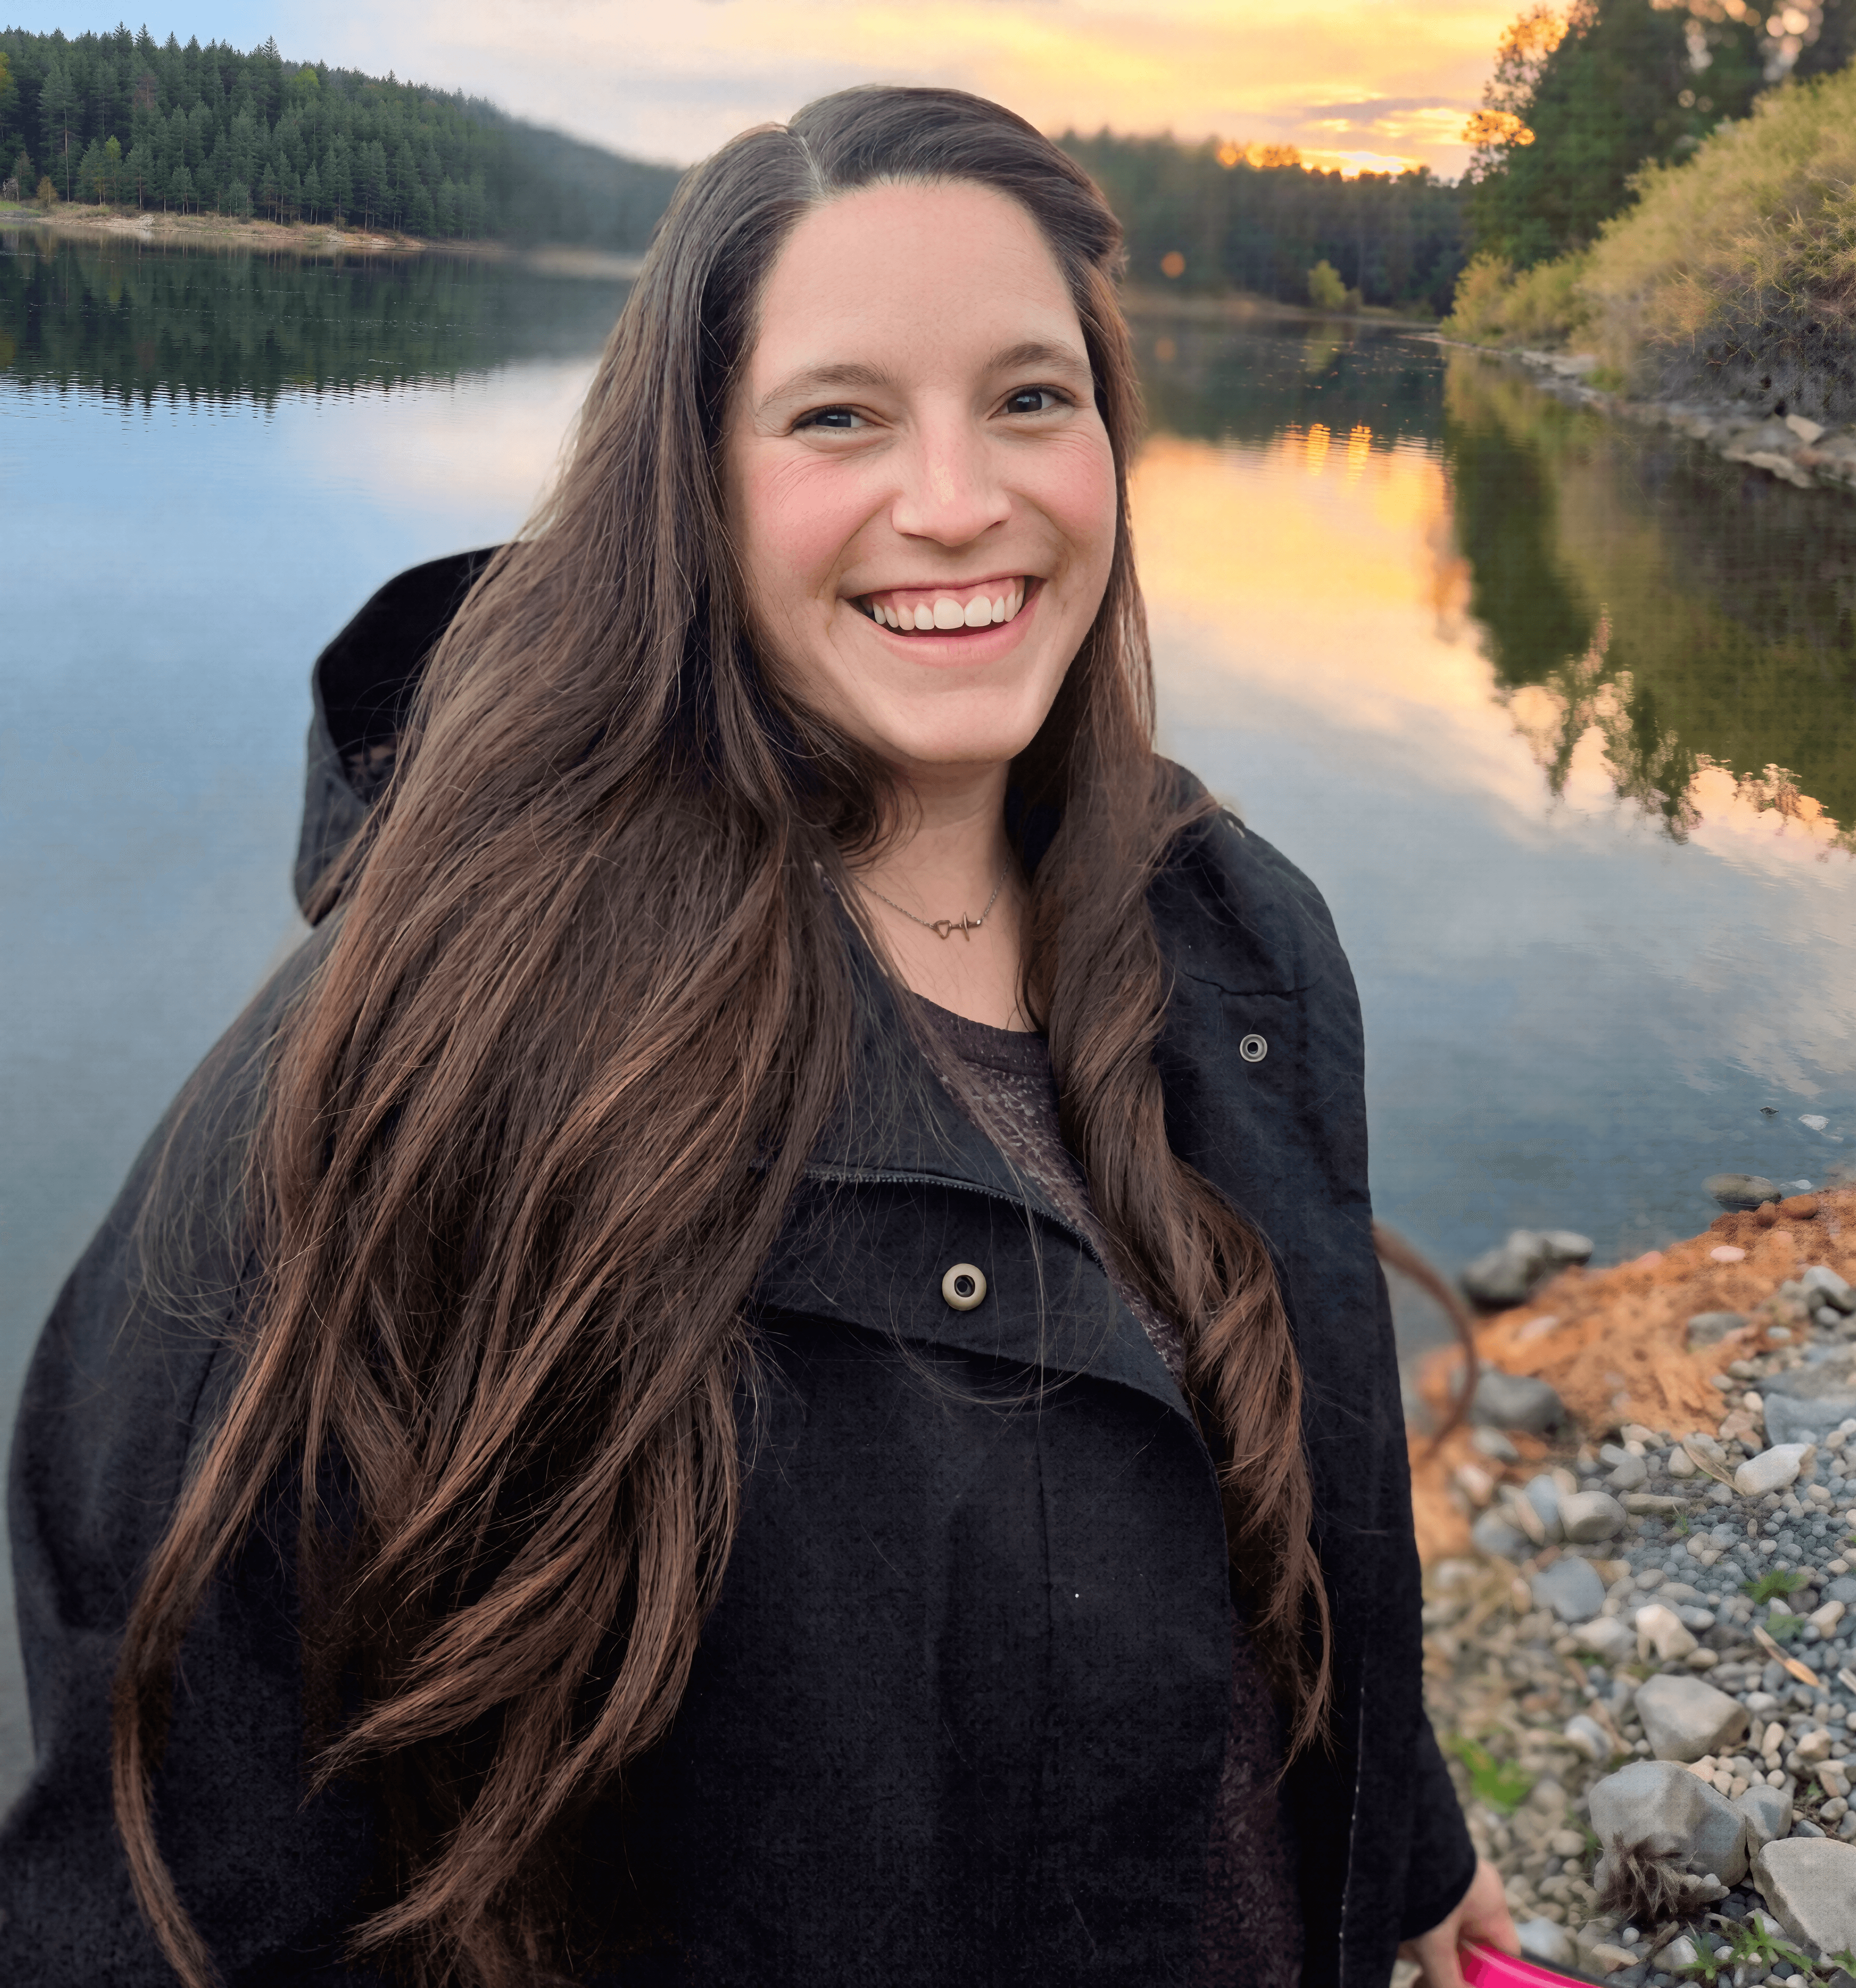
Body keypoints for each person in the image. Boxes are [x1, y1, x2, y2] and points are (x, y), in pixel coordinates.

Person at [3, 84, 1517, 1988]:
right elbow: (170, 1857)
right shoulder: (435, 1050)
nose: (958, 499)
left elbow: (1313, 1501)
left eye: (1032, 398)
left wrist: (1401, 1844)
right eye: (840, 416)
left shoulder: (1230, 938)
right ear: (694, 482)